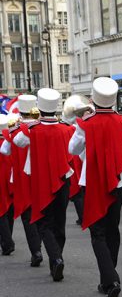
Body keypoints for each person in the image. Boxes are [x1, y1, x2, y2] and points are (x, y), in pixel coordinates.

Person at [69, 77, 122, 297]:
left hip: (92, 181)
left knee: (98, 233)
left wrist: (83, 126)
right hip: (117, 179)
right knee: (113, 230)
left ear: (94, 100)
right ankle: (109, 275)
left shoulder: (87, 124)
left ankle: (110, 278)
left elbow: (73, 149)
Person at [13, 88, 74, 281]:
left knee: (44, 222)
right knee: (59, 222)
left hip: (41, 180)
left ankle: (55, 259)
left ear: (39, 108)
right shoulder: (67, 128)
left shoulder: (32, 130)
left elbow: (17, 142)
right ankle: (57, 257)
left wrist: (27, 122)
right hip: (63, 179)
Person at [0, 95, 42, 266]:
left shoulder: (16, 131)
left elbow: (5, 150)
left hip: (23, 178)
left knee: (27, 214)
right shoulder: (43, 127)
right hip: (42, 176)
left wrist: (13, 128)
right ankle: (54, 255)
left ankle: (36, 250)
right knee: (44, 215)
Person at [0, 114, 15, 256]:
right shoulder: (12, 141)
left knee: (1, 212)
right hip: (11, 178)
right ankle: (8, 237)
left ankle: (7, 242)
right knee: (9, 209)